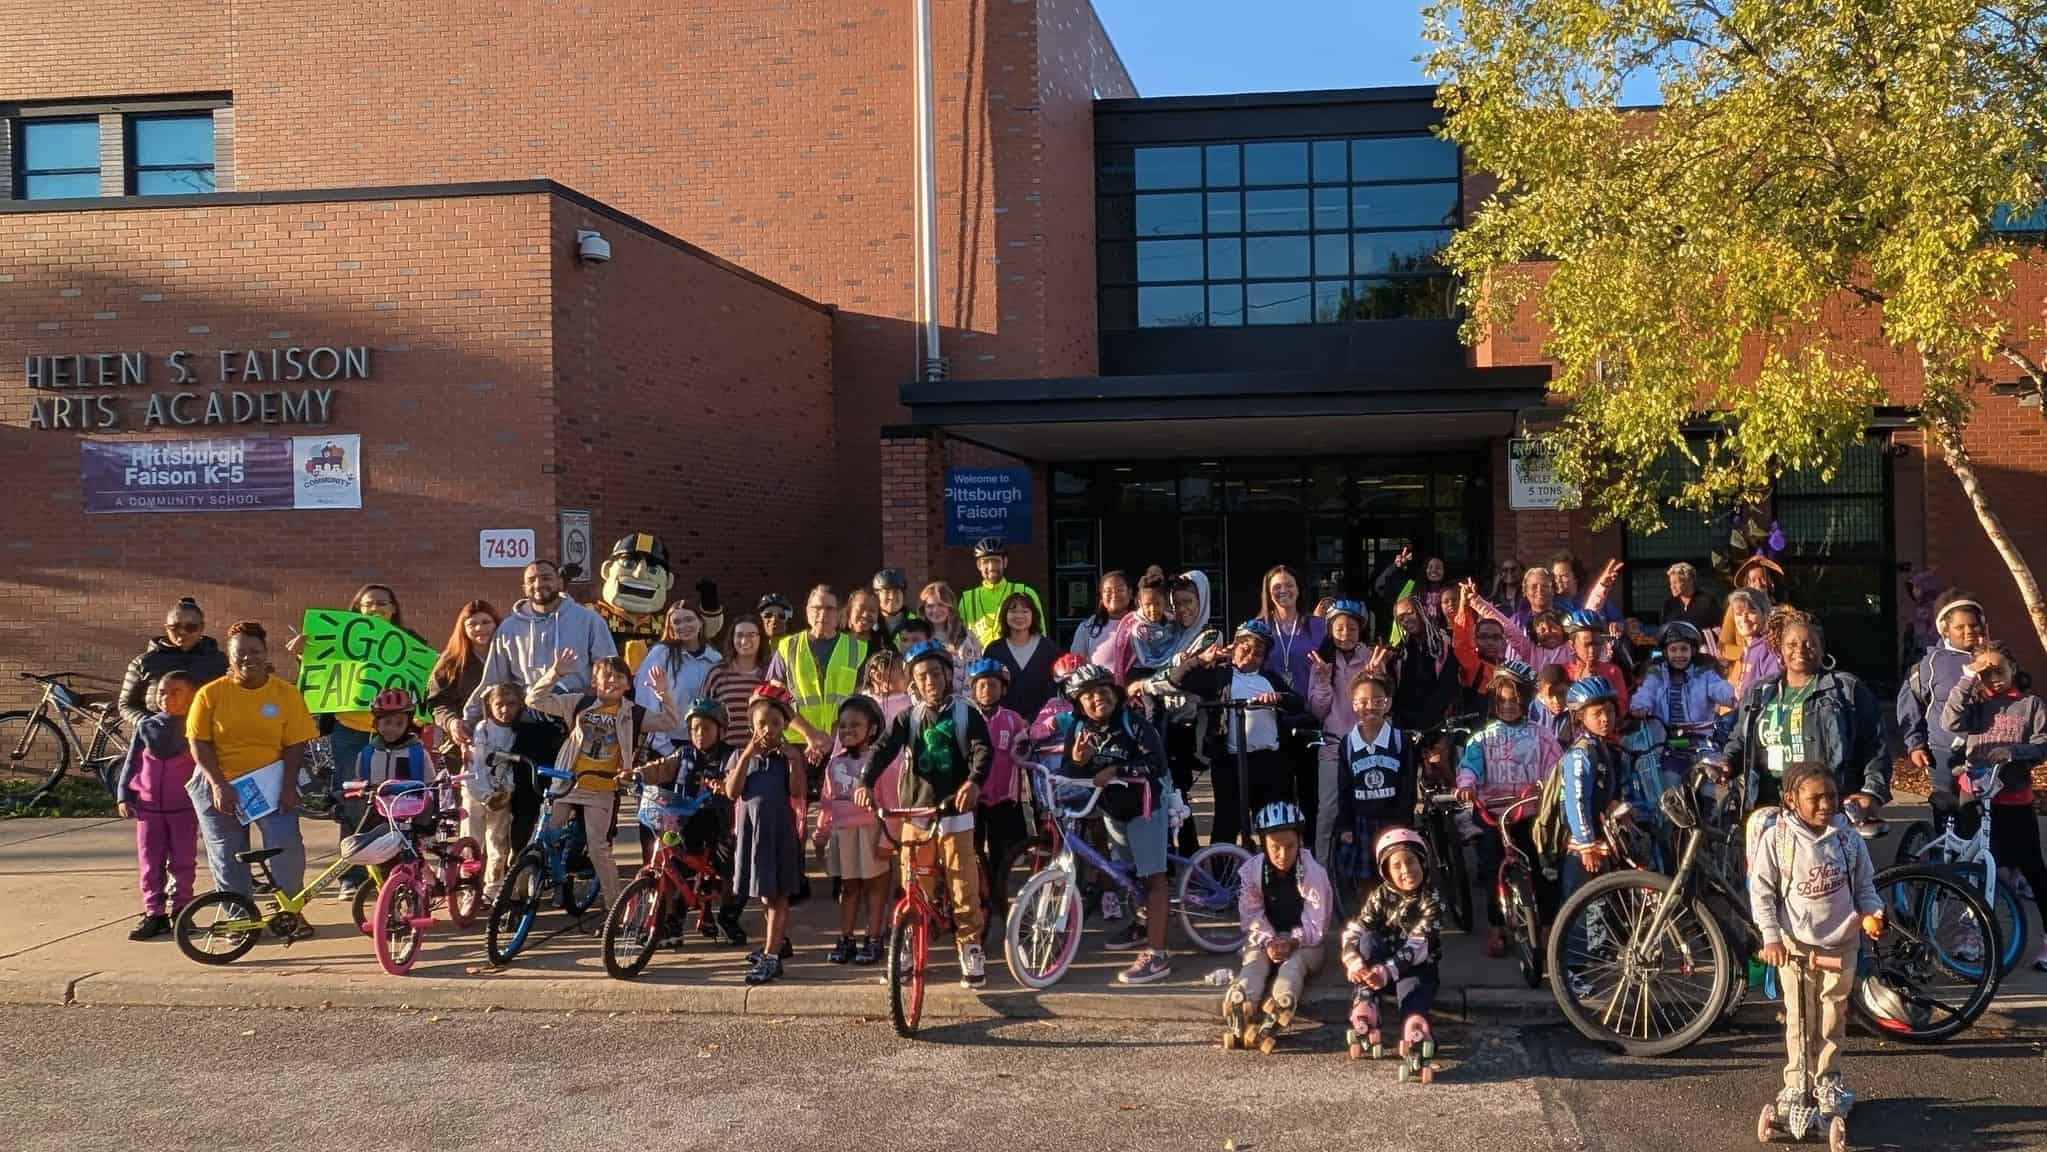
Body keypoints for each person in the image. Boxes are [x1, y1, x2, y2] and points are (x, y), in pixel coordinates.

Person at [1749, 762, 1884, 1131]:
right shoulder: (1777, 840)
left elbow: (1865, 886)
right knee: (1798, 1017)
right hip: (1795, 947)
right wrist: (1772, 937)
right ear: (1791, 800)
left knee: (1832, 1016)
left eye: (1831, 796)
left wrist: (1872, 912)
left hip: (1841, 943)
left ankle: (1827, 1079)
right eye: (1815, 798)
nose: (1826, 804)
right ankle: (1796, 1082)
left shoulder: (1847, 839)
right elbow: (1761, 893)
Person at [854, 641, 994, 988]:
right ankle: (908, 946)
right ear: (913, 683)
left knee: (963, 887)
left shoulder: (965, 713)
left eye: (935, 673)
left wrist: (974, 782)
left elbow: (982, 750)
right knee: (915, 887)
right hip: (916, 812)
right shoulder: (909, 718)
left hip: (954, 815)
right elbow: (884, 748)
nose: (930, 680)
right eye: (922, 676)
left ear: (948, 675)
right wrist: (865, 782)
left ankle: (971, 947)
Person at [464, 560, 619, 848]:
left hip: (577, 728)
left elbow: (607, 670)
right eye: (532, 580)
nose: (539, 585)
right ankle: (523, 878)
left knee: (582, 803)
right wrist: (469, 719)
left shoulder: (588, 620)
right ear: (524, 587)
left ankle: (576, 873)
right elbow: (494, 680)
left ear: (559, 583)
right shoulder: (510, 628)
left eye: (546, 578)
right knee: (526, 804)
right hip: (530, 727)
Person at [526, 648, 682, 918]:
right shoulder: (579, 703)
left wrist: (662, 693)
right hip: (567, 781)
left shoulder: (633, 713)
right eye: (606, 676)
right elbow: (534, 700)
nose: (613, 681)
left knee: (599, 847)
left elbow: (670, 721)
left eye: (619, 676)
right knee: (543, 837)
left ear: (628, 683)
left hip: (603, 788)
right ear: (594, 682)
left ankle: (616, 910)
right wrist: (555, 673)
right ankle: (518, 898)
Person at [1054, 661, 1175, 985]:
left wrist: (1118, 772)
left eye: (1103, 692)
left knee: (1153, 879)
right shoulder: (1078, 731)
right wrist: (1078, 763)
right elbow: (1072, 774)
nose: (1097, 699)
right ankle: (1142, 923)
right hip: (1112, 811)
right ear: (1078, 703)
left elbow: (1157, 763)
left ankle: (1158, 954)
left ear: (1115, 693)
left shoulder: (1132, 723)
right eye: (1088, 696)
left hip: (1145, 806)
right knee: (1128, 875)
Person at [185, 622, 320, 900]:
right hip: (218, 781)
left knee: (286, 847)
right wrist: (218, 784)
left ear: (266, 652)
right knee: (227, 853)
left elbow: (295, 744)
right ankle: (237, 916)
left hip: (270, 781)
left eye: (255, 650)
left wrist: (288, 786)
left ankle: (289, 912)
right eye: (240, 652)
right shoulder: (210, 694)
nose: (248, 657)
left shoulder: (286, 694)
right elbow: (199, 742)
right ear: (229, 655)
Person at [1939, 642, 2047, 971]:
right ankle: (1969, 932)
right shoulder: (1974, 704)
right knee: (1974, 867)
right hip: (1974, 795)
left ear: (2014, 668)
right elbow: (1950, 722)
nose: (1993, 678)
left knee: (2031, 867)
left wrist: (2016, 751)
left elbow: (2043, 742)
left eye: (1999, 670)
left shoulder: (2030, 705)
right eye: (1985, 673)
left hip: (2013, 798)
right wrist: (1968, 678)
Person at [1724, 609, 1890, 812]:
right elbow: (1741, 740)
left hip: (1826, 807)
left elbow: (1875, 744)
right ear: (1780, 650)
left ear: (1822, 648)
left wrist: (1871, 792)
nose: (1800, 650)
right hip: (1768, 806)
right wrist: (1727, 763)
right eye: (1791, 644)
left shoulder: (1846, 689)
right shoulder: (1760, 692)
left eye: (1809, 644)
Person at [1455, 661, 1560, 957]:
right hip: (1493, 814)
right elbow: (1470, 767)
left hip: (1530, 813)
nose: (1509, 706)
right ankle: (1496, 927)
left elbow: (1555, 767)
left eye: (1515, 700)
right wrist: (1467, 785)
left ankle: (1548, 925)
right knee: (1492, 870)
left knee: (1542, 867)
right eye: (1502, 700)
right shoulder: (1482, 738)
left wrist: (1550, 789)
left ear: (1526, 701)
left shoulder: (1541, 735)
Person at [1167, 621, 1300, 848]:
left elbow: (1299, 703)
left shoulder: (1269, 679)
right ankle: (1222, 878)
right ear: (1233, 647)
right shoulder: (1220, 676)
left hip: (1267, 760)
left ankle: (1269, 871)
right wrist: (1202, 660)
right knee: (1226, 823)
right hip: (1230, 761)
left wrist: (1279, 699)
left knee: (1271, 821)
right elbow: (1177, 680)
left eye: (1258, 654)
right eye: (1245, 650)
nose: (1250, 657)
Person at [1223, 801, 1334, 1053]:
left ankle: (1281, 1001)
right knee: (1254, 960)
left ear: (1300, 842)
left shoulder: (1312, 871)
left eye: (1289, 846)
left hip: (1304, 941)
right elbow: (1251, 914)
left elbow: (1317, 922)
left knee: (1294, 965)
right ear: (1263, 844)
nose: (1283, 855)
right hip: (1268, 938)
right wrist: (1268, 941)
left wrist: (1292, 941)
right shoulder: (1252, 871)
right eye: (1275, 847)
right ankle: (1242, 1000)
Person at [638, 696, 741, 942]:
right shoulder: (683, 754)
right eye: (694, 728)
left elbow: (734, 776)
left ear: (721, 729)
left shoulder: (730, 755)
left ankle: (728, 918)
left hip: (719, 823)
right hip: (684, 823)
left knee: (730, 869)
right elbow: (662, 766)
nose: (700, 733)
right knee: (670, 861)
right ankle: (671, 920)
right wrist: (636, 773)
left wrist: (724, 785)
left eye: (706, 728)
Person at [1341, 827, 1444, 1070]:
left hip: (1415, 967)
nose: (1406, 871)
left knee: (1413, 993)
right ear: (1386, 871)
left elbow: (1417, 945)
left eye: (1411, 862)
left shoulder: (1432, 899)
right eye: (1396, 866)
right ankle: (1365, 1005)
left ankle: (1415, 1028)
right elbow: (1355, 928)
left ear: (1422, 861)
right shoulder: (1380, 895)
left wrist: (1385, 971)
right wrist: (1354, 962)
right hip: (1379, 967)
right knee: (1367, 939)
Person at [727, 684, 807, 983]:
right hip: (752, 836)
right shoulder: (741, 756)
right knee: (764, 893)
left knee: (777, 896)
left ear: (785, 725)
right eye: (762, 723)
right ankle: (777, 942)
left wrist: (795, 761)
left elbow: (797, 792)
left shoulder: (787, 758)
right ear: (751, 725)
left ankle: (772, 955)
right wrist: (748, 754)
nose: (768, 730)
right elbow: (732, 791)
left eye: (776, 724)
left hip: (779, 835)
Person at [114, 670, 200, 940]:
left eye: (176, 692)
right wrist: (123, 795)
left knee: (183, 862)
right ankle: (154, 914)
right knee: (150, 863)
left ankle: (182, 912)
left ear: (191, 696)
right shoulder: (147, 726)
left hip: (184, 809)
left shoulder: (195, 726)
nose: (167, 697)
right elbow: (132, 762)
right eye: (162, 692)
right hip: (148, 808)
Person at [815, 695, 890, 965]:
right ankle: (846, 938)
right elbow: (827, 801)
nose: (847, 731)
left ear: (872, 729)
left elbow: (890, 802)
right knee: (848, 889)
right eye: (843, 726)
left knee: (874, 888)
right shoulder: (835, 763)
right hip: (843, 834)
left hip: (871, 832)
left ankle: (874, 937)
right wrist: (821, 835)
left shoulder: (880, 761)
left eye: (855, 725)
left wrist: (887, 839)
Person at [1898, 592, 1987, 814]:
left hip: (1985, 748)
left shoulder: (1993, 657)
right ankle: (1943, 848)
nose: (1969, 631)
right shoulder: (1930, 664)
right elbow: (1910, 705)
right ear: (1945, 630)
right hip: (1943, 749)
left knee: (1979, 809)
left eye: (1974, 625)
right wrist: (1915, 745)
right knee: (1946, 807)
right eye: (1960, 627)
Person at [1307, 600, 1380, 864]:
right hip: (1334, 744)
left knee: (1368, 806)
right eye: (1339, 628)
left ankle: (1369, 863)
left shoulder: (1370, 658)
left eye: (1352, 628)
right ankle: (1321, 868)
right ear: (1330, 630)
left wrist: (1376, 679)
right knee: (1328, 810)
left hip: (1367, 745)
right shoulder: (1322, 660)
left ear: (1361, 630)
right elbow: (1318, 709)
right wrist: (1324, 680)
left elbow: (1383, 705)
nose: (1346, 634)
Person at [965, 657, 1030, 945]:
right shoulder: (965, 716)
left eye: (993, 685)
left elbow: (1025, 753)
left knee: (1003, 859)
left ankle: (1003, 907)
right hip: (974, 801)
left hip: (1005, 799)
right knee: (973, 855)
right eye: (981, 685)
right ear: (972, 689)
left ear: (1002, 689)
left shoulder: (1013, 719)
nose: (986, 690)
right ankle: (977, 911)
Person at [1332, 670, 1417, 893]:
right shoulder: (1348, 744)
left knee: (1397, 875)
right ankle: (1370, 923)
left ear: (1388, 703)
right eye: (1363, 701)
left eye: (1378, 700)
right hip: (1362, 821)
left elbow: (1408, 784)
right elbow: (1344, 788)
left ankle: (1398, 923)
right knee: (1366, 881)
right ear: (1353, 704)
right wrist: (1346, 824)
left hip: (1393, 818)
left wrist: (1403, 818)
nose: (1370, 706)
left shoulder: (1400, 739)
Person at [763, 585, 863, 762]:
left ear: (840, 613)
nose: (822, 615)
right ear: (807, 611)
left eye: (829, 609)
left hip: (842, 744)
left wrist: (830, 737)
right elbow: (773, 698)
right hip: (794, 745)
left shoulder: (857, 649)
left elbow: (860, 700)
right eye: (816, 608)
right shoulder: (787, 647)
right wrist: (810, 734)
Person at [118, 597, 228, 731]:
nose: (182, 632)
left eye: (190, 627)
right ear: (166, 628)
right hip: (159, 739)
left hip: (207, 736)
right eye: (174, 627)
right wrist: (149, 723)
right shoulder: (144, 662)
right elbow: (126, 704)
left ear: (201, 628)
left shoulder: (219, 661)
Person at [460, 683, 522, 892]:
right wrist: (485, 794)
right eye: (500, 704)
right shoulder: (483, 729)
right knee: (471, 842)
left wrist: (506, 791)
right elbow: (475, 764)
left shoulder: (515, 733)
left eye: (511, 704)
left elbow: (510, 768)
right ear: (489, 705)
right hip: (475, 793)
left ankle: (493, 888)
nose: (505, 710)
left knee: (498, 841)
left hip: (500, 794)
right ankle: (468, 887)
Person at [638, 601, 722, 755]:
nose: (683, 626)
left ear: (700, 623)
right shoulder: (661, 655)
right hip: (667, 745)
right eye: (677, 622)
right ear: (671, 628)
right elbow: (646, 700)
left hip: (705, 744)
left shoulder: (715, 659)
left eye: (689, 619)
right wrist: (664, 747)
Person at [427, 599, 499, 773]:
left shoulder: (512, 656)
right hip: (463, 742)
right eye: (472, 624)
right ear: (463, 628)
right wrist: (451, 722)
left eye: (486, 622)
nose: (479, 628)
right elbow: (437, 702)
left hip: (505, 740)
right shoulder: (450, 662)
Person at [1631, 621, 1735, 728]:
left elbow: (1719, 688)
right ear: (1666, 652)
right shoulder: (1657, 674)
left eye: (1684, 649)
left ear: (1693, 651)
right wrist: (1640, 707)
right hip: (1662, 738)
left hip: (1700, 737)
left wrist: (1733, 698)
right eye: (1673, 650)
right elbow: (1647, 692)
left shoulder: (1704, 674)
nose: (1678, 654)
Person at [1383, 593, 1462, 733]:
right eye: (1401, 618)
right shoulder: (1399, 652)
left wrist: (1430, 719)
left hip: (1437, 724)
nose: (1406, 620)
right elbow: (1393, 689)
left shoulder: (1443, 644)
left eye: (1410, 613)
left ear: (1422, 611)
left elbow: (1448, 686)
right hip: (1404, 725)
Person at [984, 591, 1058, 724]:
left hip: (1044, 724)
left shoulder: (1049, 649)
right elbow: (989, 690)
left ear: (1033, 615)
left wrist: (1032, 721)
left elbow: (1053, 692)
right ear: (1005, 615)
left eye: (1025, 611)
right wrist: (1012, 720)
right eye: (1013, 611)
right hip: (1002, 725)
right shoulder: (994, 650)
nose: (1019, 616)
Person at [958, 538, 1046, 649]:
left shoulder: (1025, 592)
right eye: (986, 562)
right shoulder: (967, 600)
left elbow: (1040, 634)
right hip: (980, 664)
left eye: (996, 561)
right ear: (978, 565)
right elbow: (960, 641)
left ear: (1005, 562)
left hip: (1017, 662)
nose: (991, 567)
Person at [1257, 565, 1327, 697]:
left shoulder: (1317, 625)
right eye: (1277, 587)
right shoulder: (1259, 628)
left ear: (1298, 590)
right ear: (1268, 593)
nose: (1283, 590)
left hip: (1311, 707)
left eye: (1289, 585)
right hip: (1269, 706)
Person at [703, 616, 769, 750]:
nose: (745, 640)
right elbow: (704, 715)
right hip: (726, 754)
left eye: (751, 635)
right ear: (732, 639)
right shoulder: (718, 673)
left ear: (760, 639)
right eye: (739, 635)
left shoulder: (769, 673)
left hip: (764, 754)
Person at [1713, 588, 1779, 700]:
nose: (1744, 619)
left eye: (1750, 612)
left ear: (1765, 614)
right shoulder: (1749, 647)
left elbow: (1770, 692)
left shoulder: (1768, 649)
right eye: (1738, 614)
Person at [1375, 547, 1450, 629]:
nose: (1434, 570)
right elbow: (1380, 586)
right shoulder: (1410, 587)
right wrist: (1396, 567)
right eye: (1430, 567)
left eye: (1438, 567)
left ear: (1444, 570)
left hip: (1445, 638)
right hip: (1410, 639)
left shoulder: (1452, 591)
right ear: (1424, 569)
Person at [1069, 570, 1133, 658]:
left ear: (1129, 593)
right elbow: (1075, 663)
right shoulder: (1087, 628)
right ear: (1101, 595)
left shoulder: (1142, 626)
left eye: (1120, 589)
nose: (1114, 595)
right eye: (1108, 591)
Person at [1561, 610, 1626, 689]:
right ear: (1571, 646)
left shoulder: (1612, 672)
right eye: (1587, 645)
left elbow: (1621, 701)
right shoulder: (1561, 673)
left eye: (1597, 644)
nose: (1592, 650)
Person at [1660, 562, 1719, 630]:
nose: (1672, 587)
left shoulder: (1707, 602)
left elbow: (1718, 629)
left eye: (1676, 582)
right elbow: (1663, 630)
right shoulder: (1669, 605)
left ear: (1690, 581)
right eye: (1671, 583)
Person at [1530, 665, 1572, 742]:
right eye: (1549, 695)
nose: (1556, 701)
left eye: (1562, 693)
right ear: (1540, 693)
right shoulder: (1532, 709)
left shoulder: (1576, 712)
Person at [1511, 565, 1558, 634]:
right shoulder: (1516, 621)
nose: (1539, 590)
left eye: (1545, 586)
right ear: (1525, 592)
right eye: (1534, 587)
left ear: (1553, 590)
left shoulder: (1564, 619)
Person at [845, 586, 888, 653]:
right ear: (850, 611)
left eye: (872, 610)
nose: (865, 615)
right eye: (861, 608)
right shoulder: (834, 640)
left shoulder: (882, 649)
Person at [872, 568, 912, 636]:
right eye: (887, 592)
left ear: (903, 595)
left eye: (896, 592)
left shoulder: (916, 622)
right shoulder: (868, 622)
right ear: (877, 596)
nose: (892, 597)